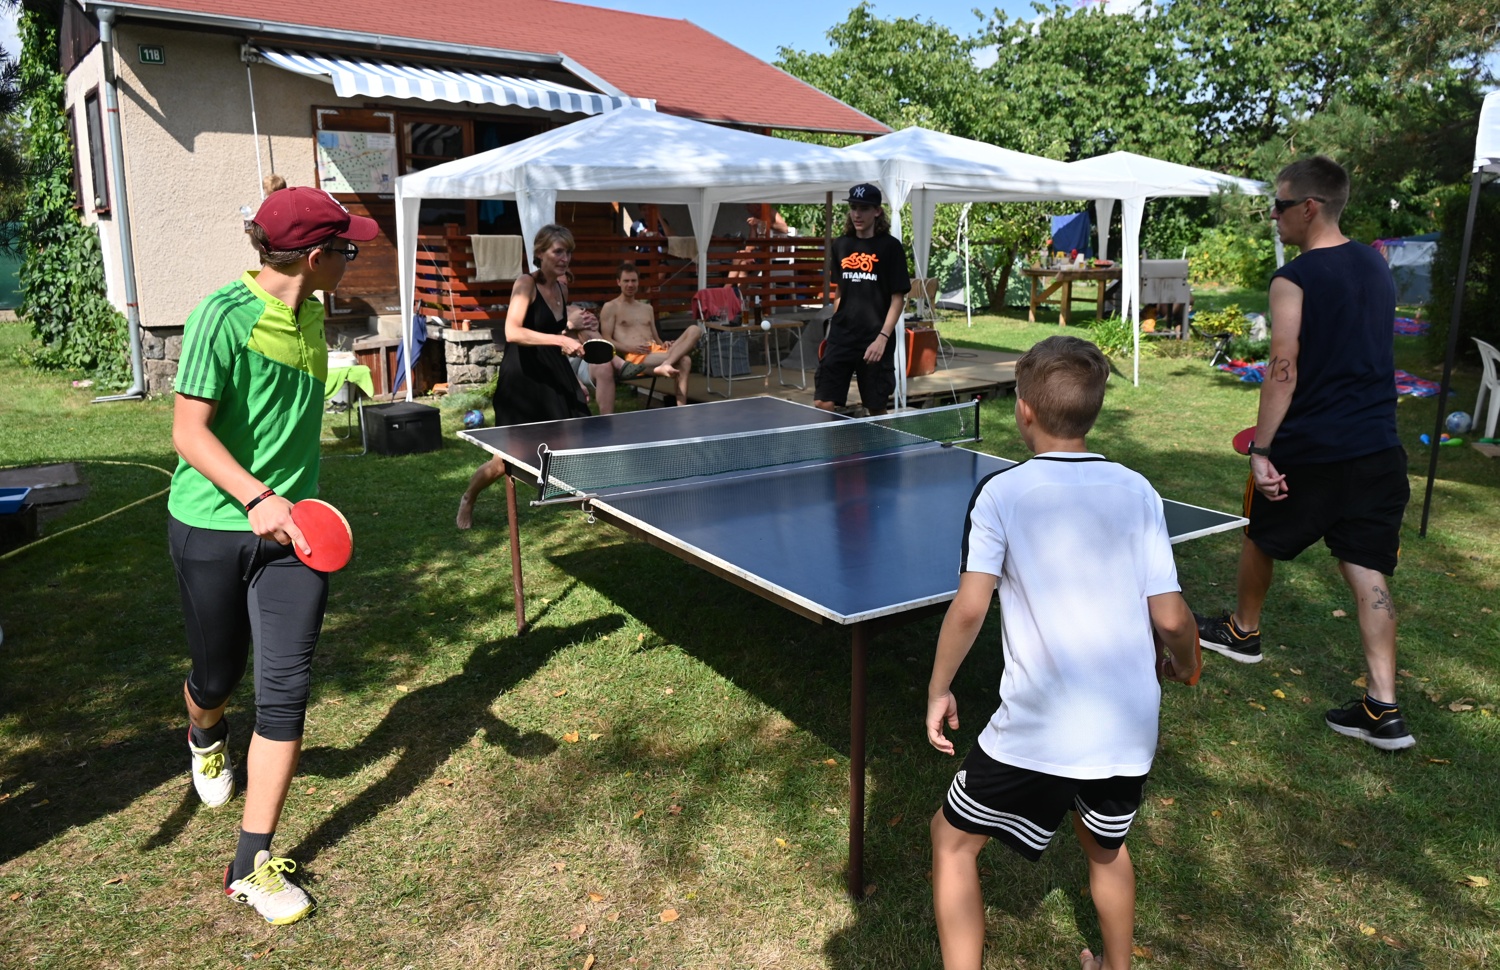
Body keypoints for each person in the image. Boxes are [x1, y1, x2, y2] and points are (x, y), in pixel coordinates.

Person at [925, 335, 1200, 970]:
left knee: (952, 840)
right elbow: (1170, 618)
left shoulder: (1000, 494)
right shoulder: (1138, 490)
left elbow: (969, 609)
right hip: (1125, 728)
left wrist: (939, 688)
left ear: (1023, 410)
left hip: (1038, 728)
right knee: (1105, 850)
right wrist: (1187, 664)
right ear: (1093, 411)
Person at [169, 186, 379, 924]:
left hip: (294, 537)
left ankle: (249, 864)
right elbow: (189, 432)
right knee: (217, 675)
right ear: (315, 256)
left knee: (285, 691)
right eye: (346, 248)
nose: (352, 257)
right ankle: (204, 730)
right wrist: (257, 498)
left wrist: (283, 508)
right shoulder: (221, 315)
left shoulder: (315, 312)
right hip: (211, 528)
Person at [1193, 155, 1414, 752]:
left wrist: (1262, 449)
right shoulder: (1376, 265)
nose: (1274, 215)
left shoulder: (1294, 277)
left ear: (1309, 207)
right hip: (1379, 448)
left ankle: (1243, 632)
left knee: (1260, 533)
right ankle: (1383, 709)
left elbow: (1282, 367)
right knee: (1366, 568)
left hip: (1312, 448)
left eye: (1281, 204)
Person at [457, 225, 593, 530]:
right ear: (540, 253)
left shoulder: (562, 289)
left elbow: (554, 338)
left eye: (568, 252)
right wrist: (560, 339)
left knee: (576, 432)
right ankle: (469, 497)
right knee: (503, 462)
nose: (565, 258)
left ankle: (567, 492)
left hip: (552, 372)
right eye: (558, 251)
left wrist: (574, 378)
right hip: (522, 380)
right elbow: (512, 331)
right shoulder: (525, 284)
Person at [814, 183, 910, 416]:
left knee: (875, 407)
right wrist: (834, 327)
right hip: (842, 336)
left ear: (877, 211)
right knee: (823, 402)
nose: (857, 214)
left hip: (875, 337)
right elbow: (840, 291)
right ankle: (835, 440)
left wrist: (882, 338)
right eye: (854, 207)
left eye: (864, 208)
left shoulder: (891, 247)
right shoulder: (841, 245)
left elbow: (898, 299)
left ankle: (882, 442)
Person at [591, 261, 701, 410]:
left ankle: (667, 365)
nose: (630, 285)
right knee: (685, 360)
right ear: (618, 282)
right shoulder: (611, 307)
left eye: (634, 281)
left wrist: (664, 344)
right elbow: (606, 340)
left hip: (656, 352)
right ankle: (681, 410)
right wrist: (630, 348)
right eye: (626, 281)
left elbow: (656, 338)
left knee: (695, 329)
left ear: (638, 282)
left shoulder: (647, 308)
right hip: (636, 358)